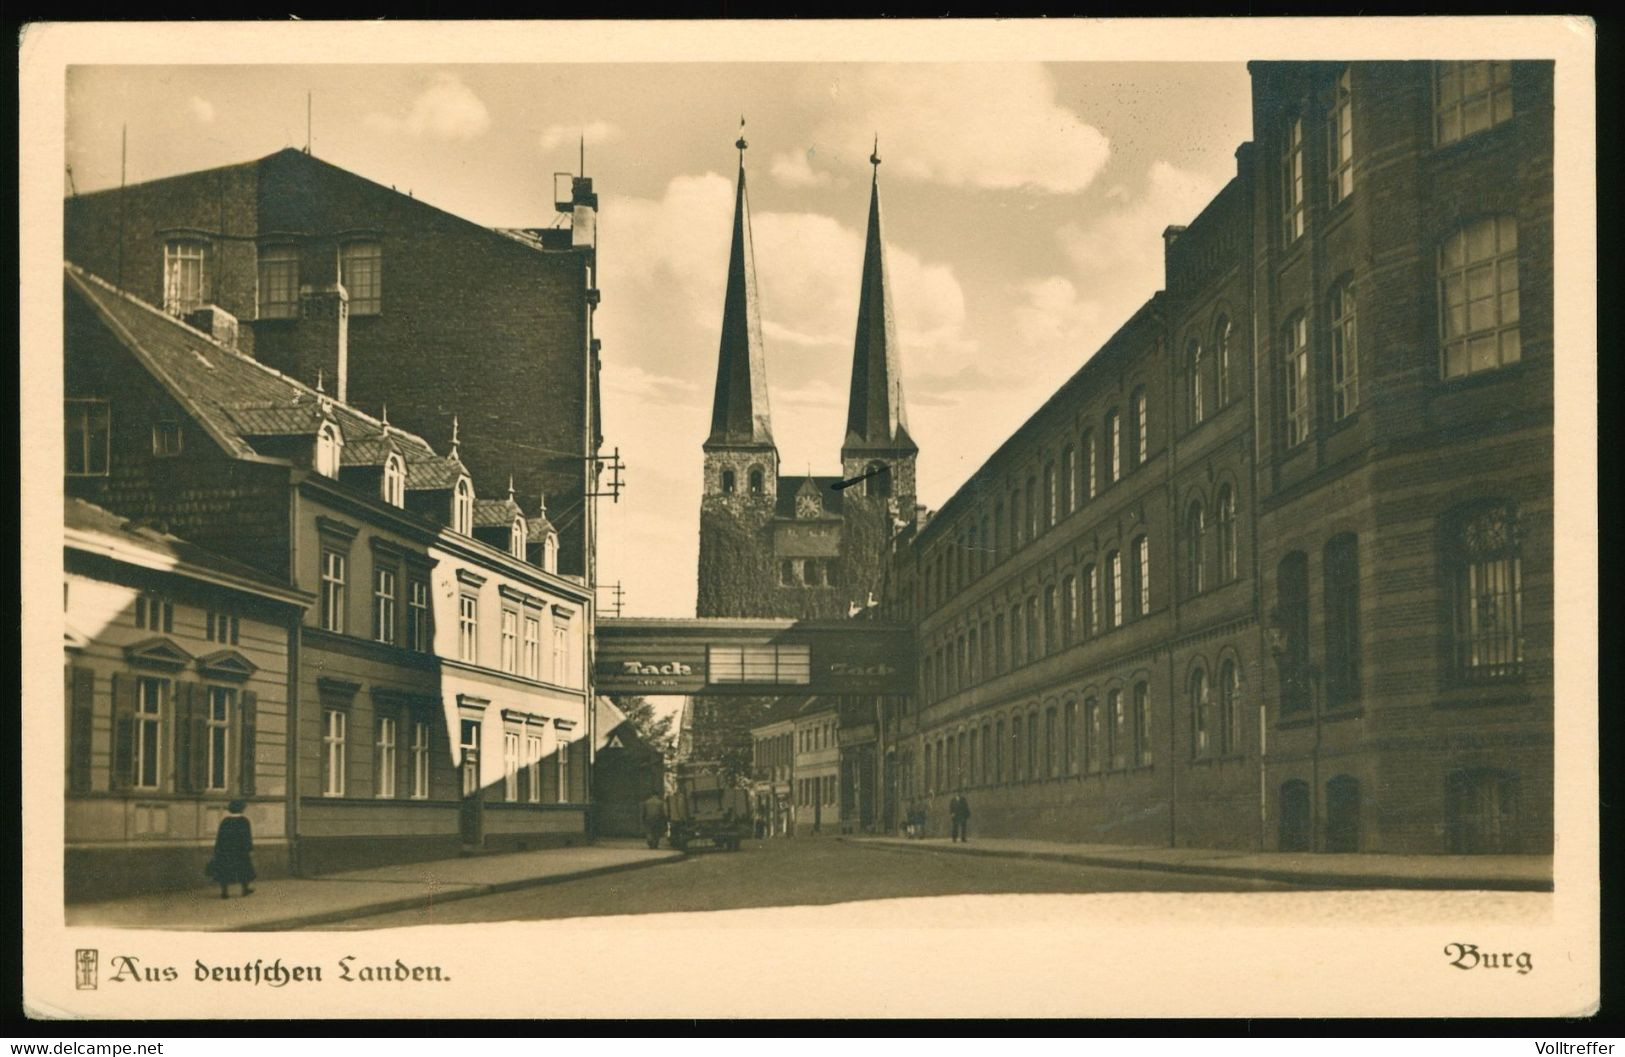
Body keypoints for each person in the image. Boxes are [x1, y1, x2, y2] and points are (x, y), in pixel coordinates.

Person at [208, 800, 255, 899]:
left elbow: (220, 837)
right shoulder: (244, 821)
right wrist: (249, 849)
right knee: (244, 869)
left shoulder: (225, 821)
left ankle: (224, 892)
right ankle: (245, 889)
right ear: (241, 809)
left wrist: (217, 849)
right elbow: (247, 837)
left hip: (226, 850)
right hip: (241, 851)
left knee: (225, 871)